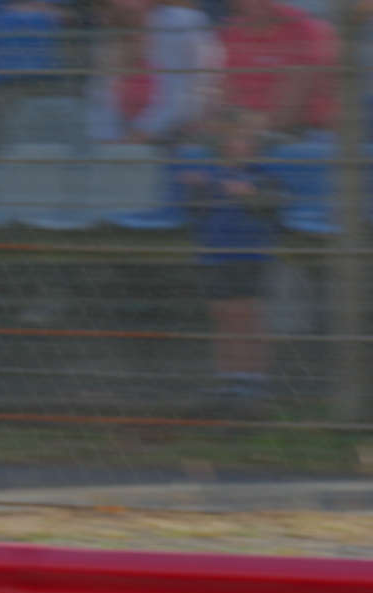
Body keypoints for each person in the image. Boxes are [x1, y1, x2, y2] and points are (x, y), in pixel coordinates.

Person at [183, 108, 283, 405]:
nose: (240, 145)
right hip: (214, 256)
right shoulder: (212, 174)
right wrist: (197, 189)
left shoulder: (264, 176)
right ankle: (227, 378)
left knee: (246, 316)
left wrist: (248, 194)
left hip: (248, 257)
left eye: (247, 139)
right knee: (222, 315)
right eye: (234, 139)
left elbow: (272, 207)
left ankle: (253, 379)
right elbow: (196, 212)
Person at [87, 0, 222, 145]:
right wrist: (111, 143)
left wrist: (139, 135)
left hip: (183, 133)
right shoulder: (110, 45)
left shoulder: (182, 24)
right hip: (131, 142)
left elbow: (183, 97)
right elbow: (100, 105)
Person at [218, 0, 339, 138]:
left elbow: (289, 112)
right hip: (244, 132)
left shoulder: (305, 29)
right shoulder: (228, 32)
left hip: (306, 131)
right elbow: (224, 96)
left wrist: (241, 125)